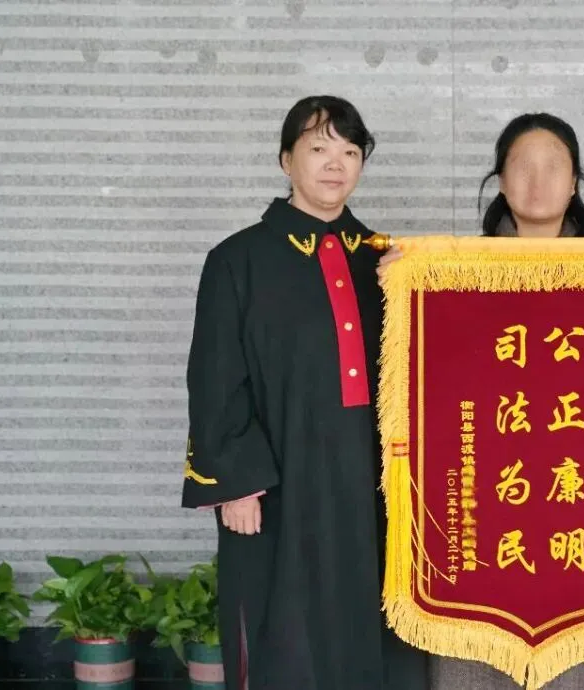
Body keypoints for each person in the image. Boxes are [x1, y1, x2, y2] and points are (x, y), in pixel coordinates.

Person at [379, 112, 584, 690]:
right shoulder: (456, 276)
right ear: (500, 181)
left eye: (554, 167)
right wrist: (401, 289)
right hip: (486, 496)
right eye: (522, 167)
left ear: (575, 182)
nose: (537, 181)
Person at [180, 95, 429, 690]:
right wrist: (236, 484)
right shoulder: (237, 260)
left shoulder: (388, 262)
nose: (335, 164)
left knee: (374, 626)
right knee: (284, 633)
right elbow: (215, 376)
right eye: (319, 148)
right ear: (285, 160)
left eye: (350, 151)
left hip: (372, 485)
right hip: (278, 486)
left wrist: (416, 286)